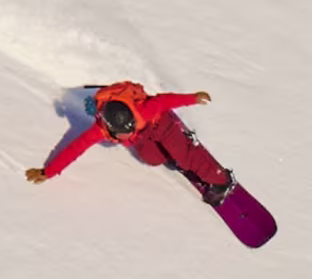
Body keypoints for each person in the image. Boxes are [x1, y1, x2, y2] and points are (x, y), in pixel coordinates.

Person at [25, 81, 235, 205]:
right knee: (151, 158)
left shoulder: (144, 110)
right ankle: (170, 151)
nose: (127, 134)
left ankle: (220, 180)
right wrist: (48, 171)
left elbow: (165, 101)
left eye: (130, 129)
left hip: (162, 125)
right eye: (126, 134)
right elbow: (74, 149)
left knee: (185, 157)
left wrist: (193, 98)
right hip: (145, 137)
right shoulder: (100, 129)